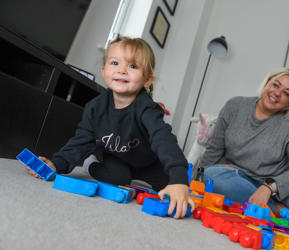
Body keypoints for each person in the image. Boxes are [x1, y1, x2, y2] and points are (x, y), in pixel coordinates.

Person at [26, 36, 194, 218]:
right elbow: (81, 141)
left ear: (147, 80)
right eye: (115, 63)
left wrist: (178, 180)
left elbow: (163, 138)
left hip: (148, 163)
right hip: (118, 158)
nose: (122, 70)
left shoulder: (147, 108)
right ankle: (91, 164)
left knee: (173, 188)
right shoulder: (94, 108)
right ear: (104, 71)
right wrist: (56, 164)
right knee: (117, 178)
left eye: (132, 66)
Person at [198, 67, 289, 229]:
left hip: (279, 184)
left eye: (286, 93)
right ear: (266, 83)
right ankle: (276, 209)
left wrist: (269, 187)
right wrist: (193, 182)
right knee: (210, 174)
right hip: (239, 178)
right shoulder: (235, 106)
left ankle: (265, 206)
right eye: (275, 85)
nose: (277, 93)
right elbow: (214, 150)